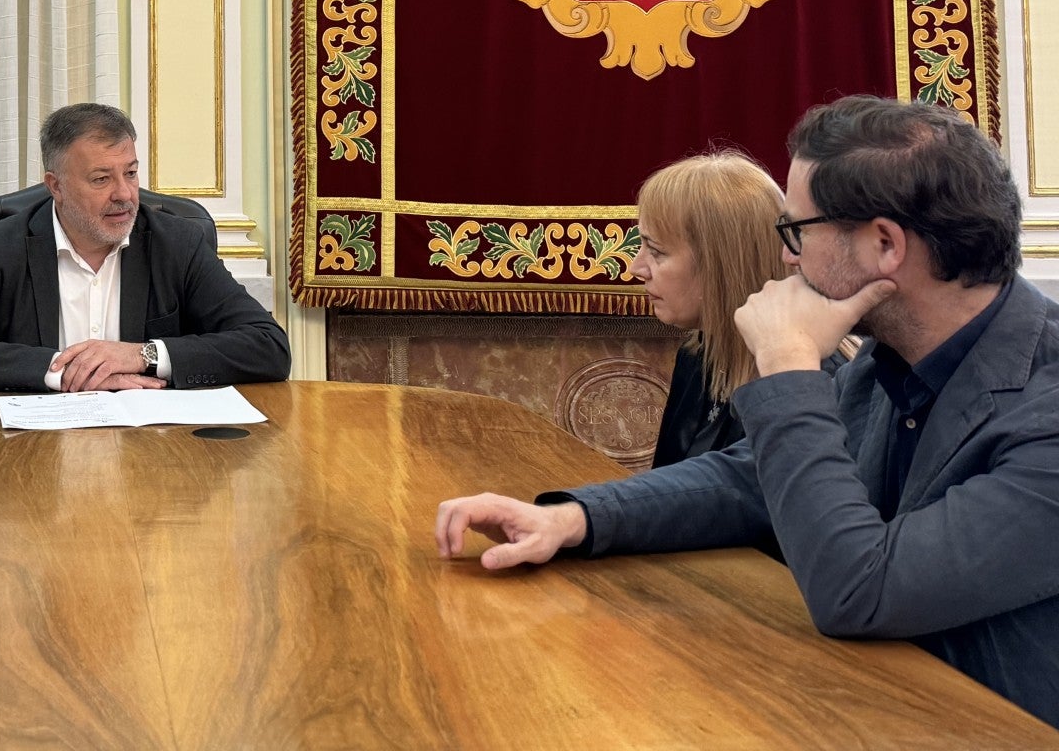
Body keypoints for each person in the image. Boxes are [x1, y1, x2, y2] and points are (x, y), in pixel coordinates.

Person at [436, 95, 1059, 729]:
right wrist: (573, 520)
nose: (787, 256)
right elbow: (751, 476)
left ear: (883, 244)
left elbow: (861, 592)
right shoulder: (886, 360)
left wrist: (789, 362)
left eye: (798, 231)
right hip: (874, 709)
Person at [0, 103, 291, 392]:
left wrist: (142, 355)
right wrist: (69, 370)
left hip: (154, 453)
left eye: (130, 173)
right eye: (101, 179)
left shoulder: (177, 243)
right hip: (33, 453)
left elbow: (268, 346)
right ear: (55, 185)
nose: (124, 194)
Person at [633, 152, 855, 467]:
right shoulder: (698, 355)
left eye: (656, 251)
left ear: (719, 266)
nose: (636, 267)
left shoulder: (817, 380)